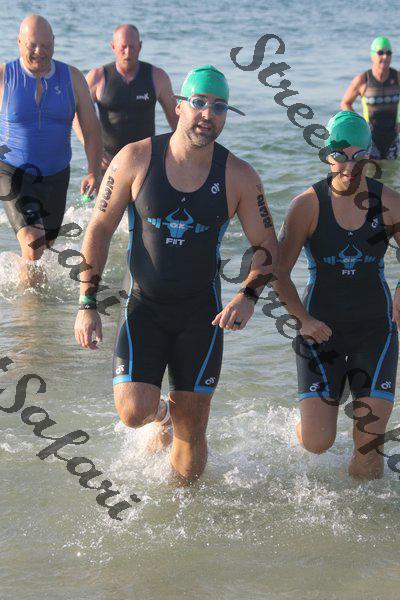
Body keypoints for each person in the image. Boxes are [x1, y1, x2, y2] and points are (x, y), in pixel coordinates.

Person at [74, 65, 278, 483]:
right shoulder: (135, 158)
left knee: (192, 435)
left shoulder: (239, 176)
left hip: (202, 317)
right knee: (133, 411)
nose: (208, 114)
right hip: (144, 307)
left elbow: (268, 248)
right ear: (179, 106)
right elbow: (99, 228)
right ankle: (162, 415)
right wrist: (87, 302)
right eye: (199, 103)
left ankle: (184, 512)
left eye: (219, 107)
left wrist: (248, 296)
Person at [275, 110, 400, 479]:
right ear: (326, 155)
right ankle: (313, 416)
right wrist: (303, 319)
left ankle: (367, 513)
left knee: (368, 449)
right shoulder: (306, 206)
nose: (349, 166)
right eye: (340, 155)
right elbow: (278, 272)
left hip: (375, 330)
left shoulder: (389, 202)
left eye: (359, 156)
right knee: (318, 442)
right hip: (320, 332)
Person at [0, 14, 102, 286]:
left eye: (46, 45)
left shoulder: (72, 78)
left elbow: (91, 129)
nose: (40, 51)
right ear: (19, 42)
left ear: (54, 42)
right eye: (32, 45)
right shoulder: (4, 76)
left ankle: (33, 305)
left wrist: (93, 170)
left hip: (56, 174)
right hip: (12, 170)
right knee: (33, 242)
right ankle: (30, 308)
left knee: (43, 249)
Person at [73, 23, 178, 172]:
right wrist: (94, 149)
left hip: (146, 160)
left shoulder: (157, 77)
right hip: (109, 162)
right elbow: (76, 114)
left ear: (140, 46)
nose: (127, 52)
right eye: (123, 47)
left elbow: (176, 119)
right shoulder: (98, 77)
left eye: (132, 47)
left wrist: (178, 154)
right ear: (113, 46)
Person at [340, 36, 400, 160]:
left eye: (388, 53)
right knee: (372, 170)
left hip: (393, 137)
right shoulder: (363, 80)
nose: (385, 57)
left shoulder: (397, 77)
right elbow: (345, 103)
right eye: (380, 52)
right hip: (370, 138)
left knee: (393, 170)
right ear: (372, 55)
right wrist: (358, 124)